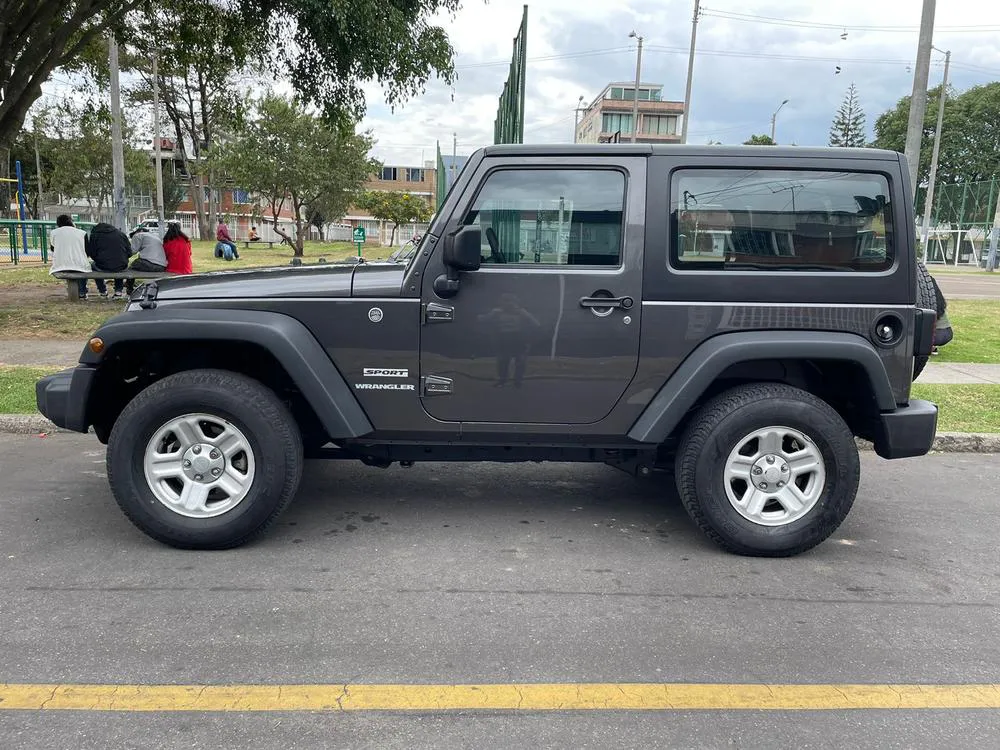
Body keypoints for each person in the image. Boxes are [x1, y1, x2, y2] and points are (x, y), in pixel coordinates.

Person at [48, 214, 91, 299]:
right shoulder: (82, 233)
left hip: (60, 265)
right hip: (80, 265)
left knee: (72, 266)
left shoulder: (54, 233)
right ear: (71, 222)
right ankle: (82, 291)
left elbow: (53, 248)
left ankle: (78, 291)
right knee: (82, 267)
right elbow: (87, 252)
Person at [86, 222, 131, 299]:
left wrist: (99, 259)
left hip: (102, 266)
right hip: (121, 265)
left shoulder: (95, 235)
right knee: (119, 264)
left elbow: (92, 253)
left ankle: (103, 291)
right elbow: (129, 252)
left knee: (93, 265)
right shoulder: (120, 234)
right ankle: (118, 291)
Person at [126, 227, 168, 294]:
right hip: (161, 266)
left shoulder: (138, 235)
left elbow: (133, 251)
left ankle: (129, 287)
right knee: (137, 263)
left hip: (149, 263)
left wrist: (123, 257)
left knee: (132, 266)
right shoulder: (155, 237)